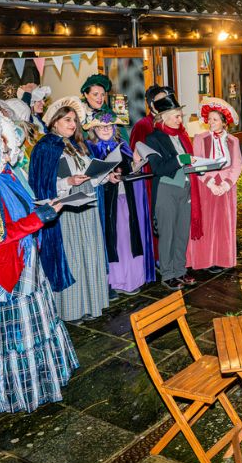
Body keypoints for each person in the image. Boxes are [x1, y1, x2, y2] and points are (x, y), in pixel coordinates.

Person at [0, 113, 79, 412]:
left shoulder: (4, 174)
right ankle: (20, 391)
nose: (12, 155)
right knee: (16, 335)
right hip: (7, 268)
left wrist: (44, 207)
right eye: (7, 150)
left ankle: (44, 380)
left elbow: (21, 209)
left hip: (26, 260)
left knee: (36, 322)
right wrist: (38, 219)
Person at [29, 96, 118, 323]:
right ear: (54, 122)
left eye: (75, 120)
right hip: (66, 210)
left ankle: (90, 303)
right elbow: (41, 185)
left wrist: (106, 176)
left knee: (89, 253)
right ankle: (71, 309)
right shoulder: (46, 147)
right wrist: (68, 182)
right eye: (67, 119)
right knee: (73, 256)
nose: (72, 124)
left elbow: (89, 175)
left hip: (86, 205)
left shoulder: (78, 146)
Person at [84, 111, 155, 294]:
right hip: (105, 201)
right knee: (115, 239)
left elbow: (131, 169)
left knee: (128, 237)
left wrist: (137, 162)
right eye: (101, 127)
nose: (105, 129)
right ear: (94, 129)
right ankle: (116, 281)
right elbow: (88, 174)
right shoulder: (89, 148)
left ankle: (132, 279)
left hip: (125, 196)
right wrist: (107, 177)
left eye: (109, 126)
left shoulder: (122, 145)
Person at [143, 93, 201, 290]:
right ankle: (168, 274)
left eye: (180, 116)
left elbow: (187, 161)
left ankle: (180, 270)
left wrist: (198, 166)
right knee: (167, 234)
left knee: (182, 233)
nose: (180, 119)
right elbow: (158, 168)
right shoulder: (153, 138)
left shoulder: (181, 136)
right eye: (176, 116)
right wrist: (180, 160)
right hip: (166, 190)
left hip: (185, 187)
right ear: (164, 116)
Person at [186, 97, 242, 273]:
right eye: (209, 119)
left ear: (224, 122)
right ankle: (205, 260)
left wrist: (226, 184)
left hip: (226, 187)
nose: (211, 122)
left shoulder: (233, 140)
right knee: (207, 223)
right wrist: (211, 183)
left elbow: (237, 165)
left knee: (224, 224)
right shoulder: (200, 138)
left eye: (215, 119)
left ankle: (222, 259)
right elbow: (197, 163)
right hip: (206, 187)